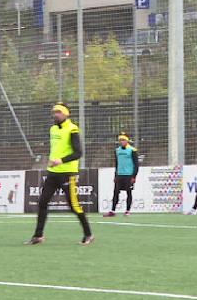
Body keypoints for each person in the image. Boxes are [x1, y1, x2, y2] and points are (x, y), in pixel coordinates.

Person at [25, 103, 94, 245]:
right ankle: (38, 236)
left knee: (73, 205)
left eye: (58, 112)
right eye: (54, 112)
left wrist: (60, 161)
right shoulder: (53, 129)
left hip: (67, 173)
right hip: (52, 173)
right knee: (43, 202)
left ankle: (88, 234)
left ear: (66, 114)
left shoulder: (72, 129)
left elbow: (78, 153)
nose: (55, 114)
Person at [104, 133, 139, 217]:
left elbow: (136, 164)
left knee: (128, 192)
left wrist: (134, 176)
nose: (122, 142)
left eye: (123, 140)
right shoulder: (117, 151)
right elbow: (116, 164)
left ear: (127, 141)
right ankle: (112, 211)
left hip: (129, 175)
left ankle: (127, 211)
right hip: (120, 175)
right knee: (116, 192)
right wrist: (115, 175)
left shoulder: (132, 150)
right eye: (120, 140)